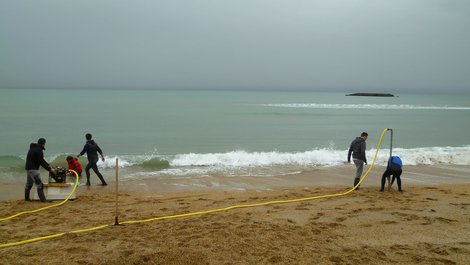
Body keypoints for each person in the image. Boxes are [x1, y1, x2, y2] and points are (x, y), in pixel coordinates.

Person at [24, 138, 56, 202]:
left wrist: (49, 165)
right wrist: (50, 169)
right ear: (44, 143)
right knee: (40, 185)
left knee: (29, 184)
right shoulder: (39, 150)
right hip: (33, 169)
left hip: (28, 168)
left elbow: (41, 160)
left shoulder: (33, 148)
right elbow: (41, 161)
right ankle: (43, 200)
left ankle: (27, 199)